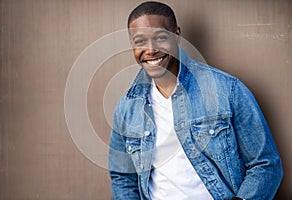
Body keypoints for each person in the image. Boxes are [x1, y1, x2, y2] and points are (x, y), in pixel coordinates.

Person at [108, 1, 283, 200]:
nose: (150, 50)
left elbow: (266, 164)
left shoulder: (227, 90)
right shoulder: (127, 107)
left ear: (177, 35)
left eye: (160, 38)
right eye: (140, 41)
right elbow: (123, 177)